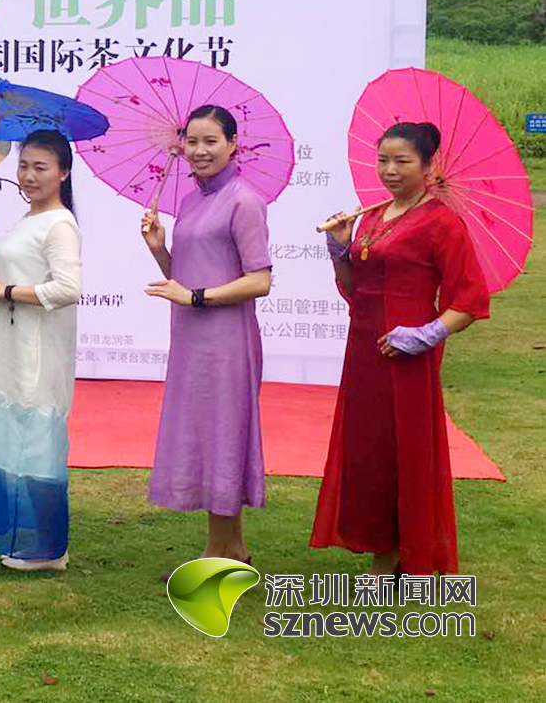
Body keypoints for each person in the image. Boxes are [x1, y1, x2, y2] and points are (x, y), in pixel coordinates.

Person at [311, 122, 489, 576]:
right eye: (383, 160)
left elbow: (469, 299)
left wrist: (428, 333)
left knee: (403, 449)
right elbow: (356, 289)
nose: (390, 170)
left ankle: (400, 558)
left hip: (407, 353)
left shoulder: (442, 222)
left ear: (428, 166)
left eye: (402, 161)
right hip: (364, 348)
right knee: (367, 449)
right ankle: (379, 548)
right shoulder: (372, 216)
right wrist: (340, 250)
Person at [140, 105, 271, 568]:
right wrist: (160, 251)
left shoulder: (244, 201)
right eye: (192, 142)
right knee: (205, 435)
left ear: (233, 144)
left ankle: (219, 550)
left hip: (226, 340)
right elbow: (187, 274)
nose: (199, 151)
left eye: (211, 141)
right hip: (191, 336)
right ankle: (231, 547)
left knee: (223, 435)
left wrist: (195, 297)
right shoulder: (191, 200)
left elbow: (259, 280)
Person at [0, 129, 82, 571]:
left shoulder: (60, 224)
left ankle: (48, 549)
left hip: (37, 351)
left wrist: (7, 290)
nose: (29, 176)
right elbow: (16, 270)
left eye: (40, 168)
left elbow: (67, 289)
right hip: (11, 346)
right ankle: (30, 539)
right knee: (15, 442)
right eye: (24, 166)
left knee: (36, 447)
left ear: (63, 173)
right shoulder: (30, 218)